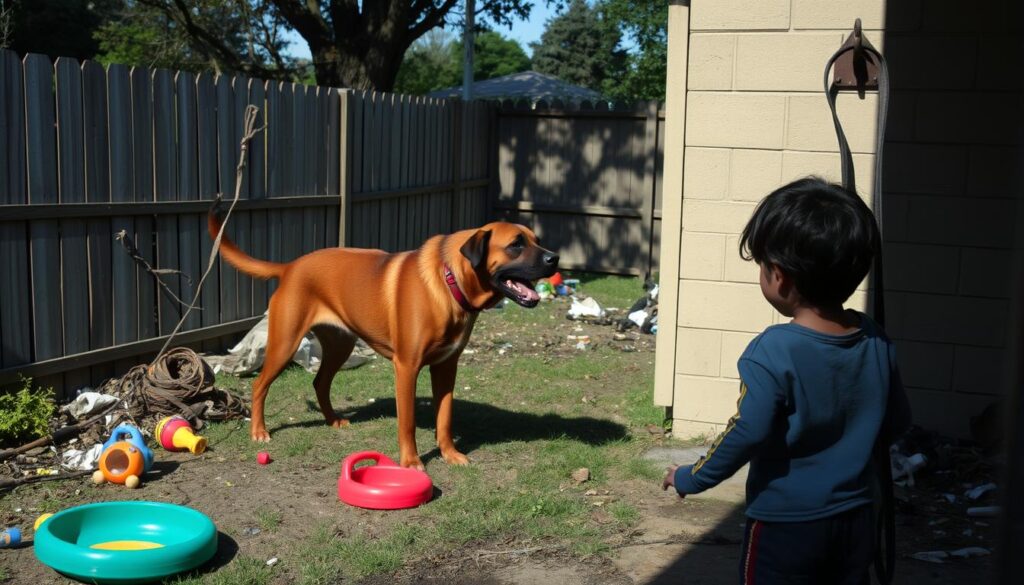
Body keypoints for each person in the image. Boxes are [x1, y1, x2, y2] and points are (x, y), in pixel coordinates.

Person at [662, 177, 912, 585]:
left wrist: (693, 476)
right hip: (857, 518)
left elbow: (747, 430)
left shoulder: (772, 351)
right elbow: (897, 420)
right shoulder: (876, 340)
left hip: (785, 525)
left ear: (779, 277)